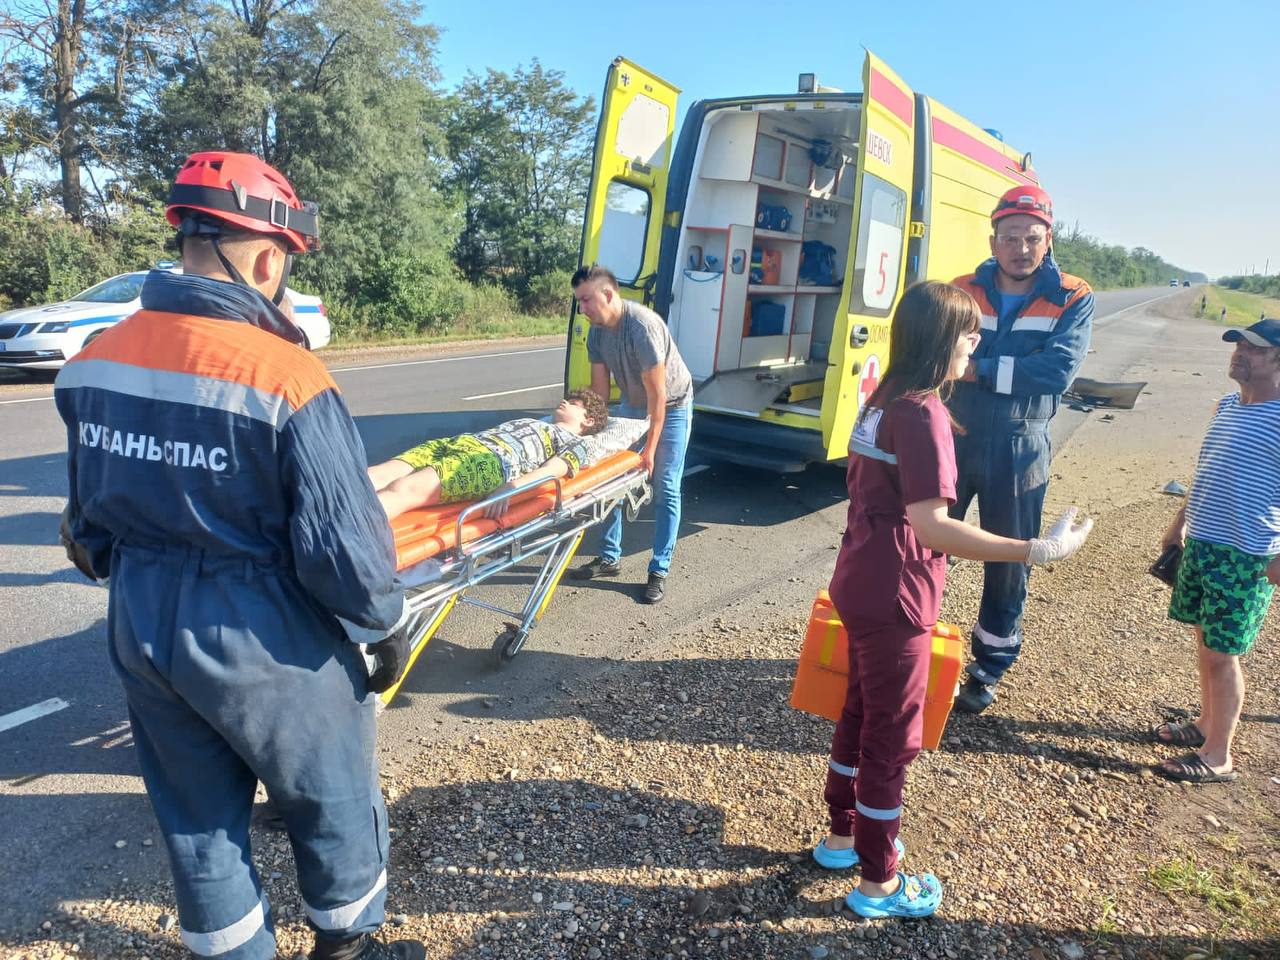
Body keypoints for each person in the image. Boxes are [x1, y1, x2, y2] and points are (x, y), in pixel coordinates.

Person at [54, 152, 423, 960]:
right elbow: (342, 547)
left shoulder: (96, 360)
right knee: (329, 790)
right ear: (265, 255)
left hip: (142, 621)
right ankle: (349, 945)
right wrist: (383, 623)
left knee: (196, 815)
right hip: (263, 627)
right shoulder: (284, 374)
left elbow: (84, 530)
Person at [812, 281, 1093, 918]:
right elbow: (934, 526)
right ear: (944, 341)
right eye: (970, 333)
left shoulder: (882, 397)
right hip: (895, 593)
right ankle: (879, 880)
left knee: (858, 709)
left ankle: (841, 836)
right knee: (892, 734)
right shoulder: (923, 412)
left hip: (857, 576)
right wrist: (1033, 551)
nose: (977, 343)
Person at [946, 185, 1095, 714]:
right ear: (994, 240)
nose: (1021, 248)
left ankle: (987, 668)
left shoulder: (1073, 295)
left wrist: (976, 369)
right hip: (953, 436)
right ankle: (911, 645)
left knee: (1009, 562)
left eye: (1032, 238)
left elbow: (1055, 372)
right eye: (1010, 237)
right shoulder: (963, 287)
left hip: (1020, 448)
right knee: (923, 545)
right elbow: (940, 351)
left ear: (1048, 239)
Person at [1152, 317, 1280, 783]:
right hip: (1204, 544)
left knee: (1224, 654)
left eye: (1255, 349)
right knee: (1205, 642)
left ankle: (1219, 755)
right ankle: (1206, 724)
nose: (1240, 353)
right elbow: (1206, 471)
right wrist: (1177, 525)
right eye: (1238, 345)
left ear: (1278, 360)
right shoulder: (1227, 406)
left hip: (1245, 555)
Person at [568, 264, 693, 604]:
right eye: (579, 302)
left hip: (672, 404)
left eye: (587, 300)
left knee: (665, 485)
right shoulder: (596, 333)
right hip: (632, 406)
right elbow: (599, 391)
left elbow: (658, 397)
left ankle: (659, 569)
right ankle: (609, 558)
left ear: (608, 294)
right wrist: (590, 434)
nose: (583, 309)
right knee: (609, 479)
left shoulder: (642, 327)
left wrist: (649, 451)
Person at [368, 390, 608, 520]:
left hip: (490, 461)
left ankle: (341, 536)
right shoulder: (542, 423)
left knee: (404, 489)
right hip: (462, 442)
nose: (565, 401)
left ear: (588, 420)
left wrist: (509, 488)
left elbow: (551, 471)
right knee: (376, 475)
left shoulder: (579, 443)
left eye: (575, 403)